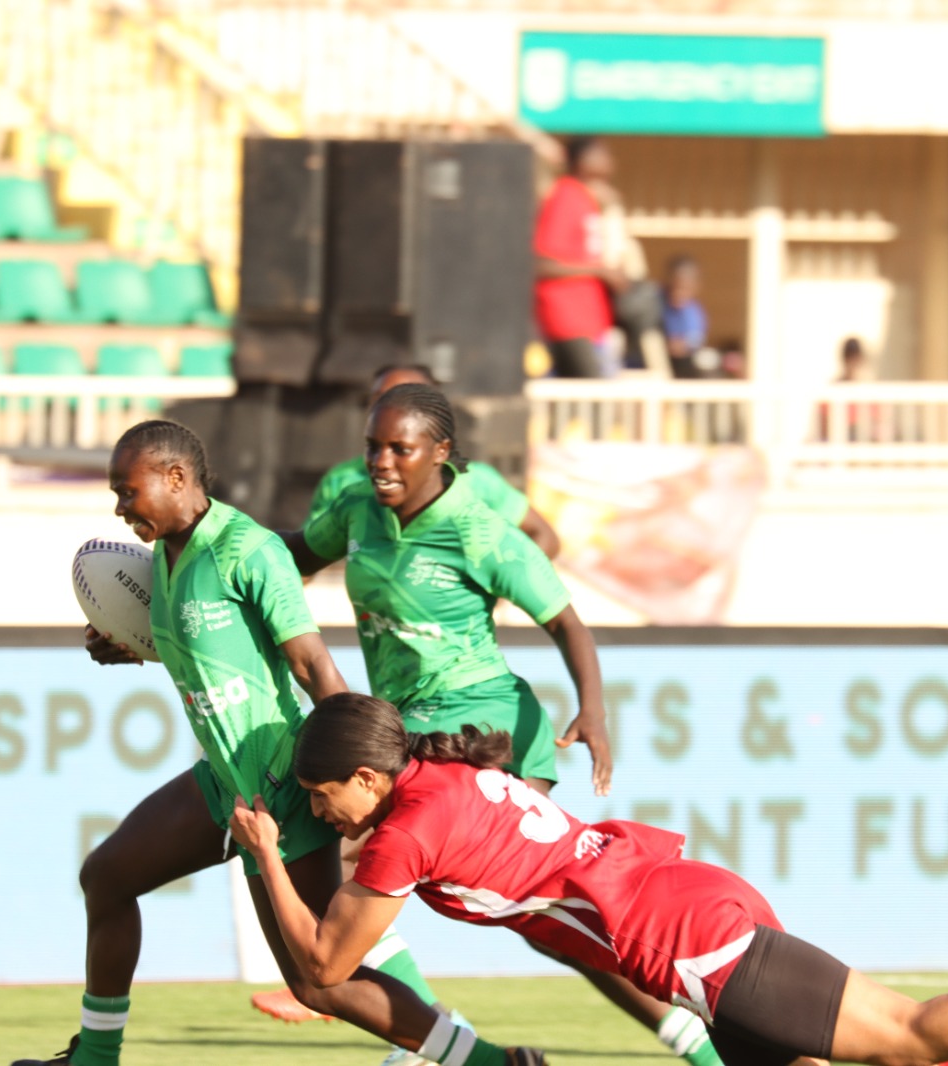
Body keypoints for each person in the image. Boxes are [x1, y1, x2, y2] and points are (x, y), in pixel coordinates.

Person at [232, 694, 948, 1066]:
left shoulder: (404, 830)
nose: (321, 813)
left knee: (909, 1036)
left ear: (368, 776)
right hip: (680, 905)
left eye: (324, 796)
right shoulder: (440, 774)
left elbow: (327, 964)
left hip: (682, 935)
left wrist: (270, 853)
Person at [10, 421, 542, 1066]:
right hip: (224, 785)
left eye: (128, 491)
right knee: (108, 877)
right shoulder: (164, 559)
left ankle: (490, 1063)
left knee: (319, 982)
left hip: (285, 789)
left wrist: (367, 770)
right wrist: (131, 649)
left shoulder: (248, 550)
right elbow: (214, 657)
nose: (119, 508)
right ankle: (95, 1058)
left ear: (176, 478)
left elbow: (314, 667)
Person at [280, 383, 729, 1066]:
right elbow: (287, 559)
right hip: (409, 728)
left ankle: (423, 1031)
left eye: (400, 447)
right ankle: (693, 1047)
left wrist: (593, 711)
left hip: (482, 722)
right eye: (373, 445)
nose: (381, 461)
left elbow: (566, 620)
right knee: (546, 921)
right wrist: (210, 549)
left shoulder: (479, 527)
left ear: (442, 453)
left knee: (357, 867)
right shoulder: (354, 510)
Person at [306, 365, 560, 559]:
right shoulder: (343, 481)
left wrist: (501, 586)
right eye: (379, 399)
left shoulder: (477, 481)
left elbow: (544, 537)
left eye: (406, 400)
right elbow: (309, 554)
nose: (389, 410)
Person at [534, 137, 625, 378]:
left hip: (589, 318)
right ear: (583, 159)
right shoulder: (566, 195)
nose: (610, 160)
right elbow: (542, 263)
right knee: (594, 399)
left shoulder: (588, 198)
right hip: (567, 315)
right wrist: (601, 271)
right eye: (602, 153)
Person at [661, 257, 717, 380]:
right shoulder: (659, 303)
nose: (679, 293)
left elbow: (696, 339)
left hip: (684, 364)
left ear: (695, 288)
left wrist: (680, 345)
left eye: (685, 289)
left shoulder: (693, 312)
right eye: (676, 288)